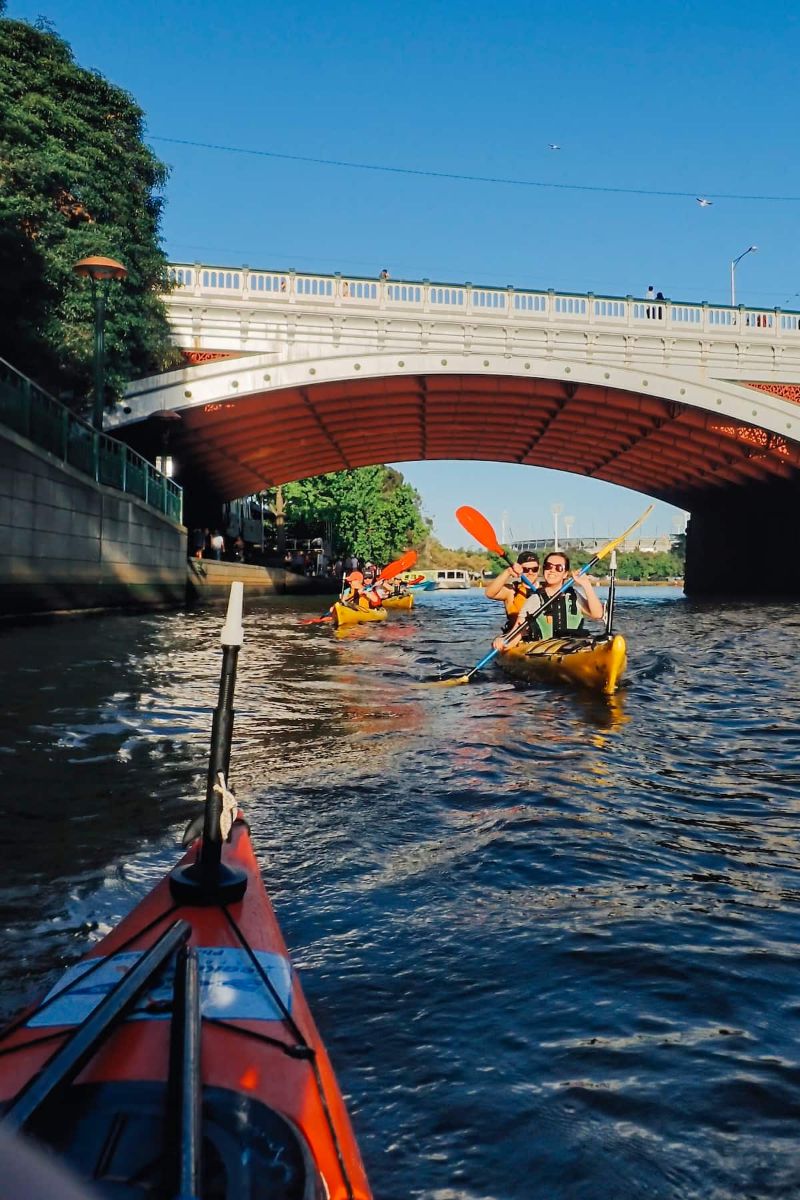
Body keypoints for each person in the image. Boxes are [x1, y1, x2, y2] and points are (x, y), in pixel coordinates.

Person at [494, 551, 604, 651]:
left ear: (565, 573)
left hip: (573, 646)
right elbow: (519, 629)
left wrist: (586, 585)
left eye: (558, 568)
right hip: (545, 651)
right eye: (548, 566)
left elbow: (597, 614)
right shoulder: (535, 599)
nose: (552, 570)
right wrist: (504, 642)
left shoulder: (574, 596)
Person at [484, 551, 541, 636]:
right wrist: (508, 572)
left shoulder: (546, 589)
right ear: (519, 569)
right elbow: (489, 593)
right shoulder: (512, 590)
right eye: (525, 569)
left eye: (534, 569)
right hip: (516, 636)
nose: (530, 572)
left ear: (539, 569)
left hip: (539, 638)